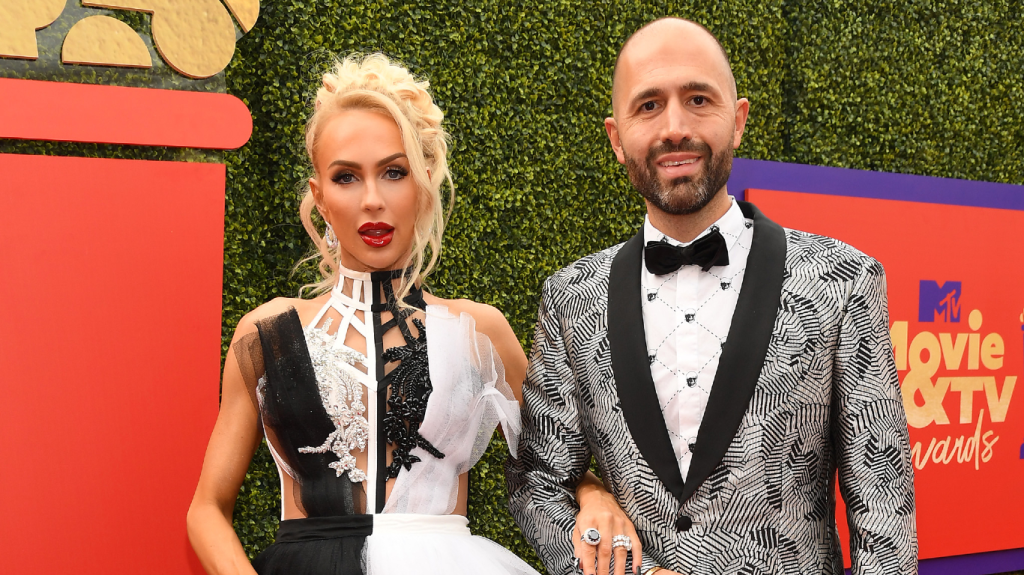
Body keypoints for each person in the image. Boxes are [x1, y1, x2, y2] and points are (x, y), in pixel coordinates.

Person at [186, 53, 630, 575]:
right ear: (319, 197)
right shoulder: (269, 333)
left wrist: (594, 495)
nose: (372, 199)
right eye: (346, 177)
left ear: (422, 185)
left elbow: (556, 463)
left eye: (393, 172)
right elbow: (207, 509)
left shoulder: (478, 332)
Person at [507, 18, 918, 575]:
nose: (675, 127)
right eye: (648, 106)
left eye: (698, 99)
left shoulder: (842, 281)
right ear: (616, 138)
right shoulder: (570, 298)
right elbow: (538, 483)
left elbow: (883, 508)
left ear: (739, 119)